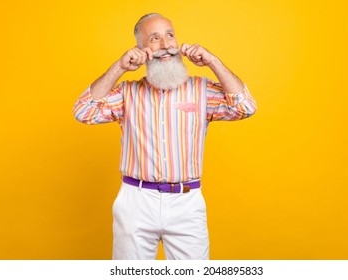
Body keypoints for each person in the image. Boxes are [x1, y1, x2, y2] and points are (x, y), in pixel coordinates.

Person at [73, 13, 257, 260]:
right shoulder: (127, 93)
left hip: (187, 202)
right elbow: (84, 111)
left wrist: (213, 61)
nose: (166, 45)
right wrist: (119, 67)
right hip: (135, 202)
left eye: (170, 35)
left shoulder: (201, 89)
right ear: (141, 50)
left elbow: (245, 107)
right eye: (155, 38)